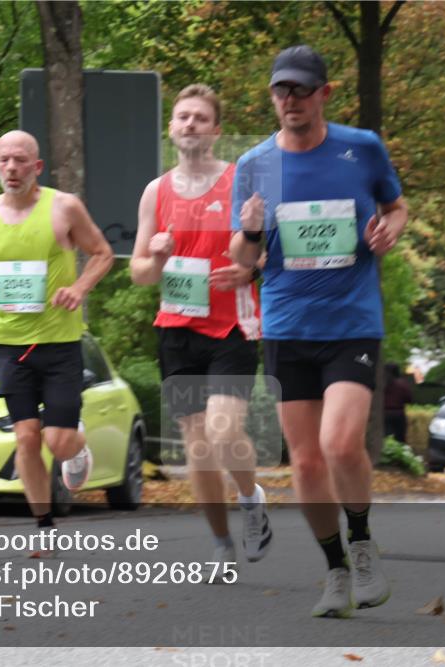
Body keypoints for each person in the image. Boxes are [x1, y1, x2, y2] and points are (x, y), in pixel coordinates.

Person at [229, 46, 409, 617]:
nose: (291, 101)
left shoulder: (362, 148)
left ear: (324, 94)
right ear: (272, 96)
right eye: (282, 90)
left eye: (302, 90)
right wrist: (250, 232)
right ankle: (335, 569)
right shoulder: (254, 165)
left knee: (339, 443)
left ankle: (362, 541)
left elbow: (397, 207)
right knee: (305, 463)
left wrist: (390, 230)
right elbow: (242, 257)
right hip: (287, 325)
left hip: (352, 321)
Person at [0, 130, 114, 535]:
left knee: (58, 441)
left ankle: (77, 445)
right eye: (5, 160)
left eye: (20, 160)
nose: (12, 168)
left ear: (37, 167)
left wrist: (79, 288)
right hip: (9, 343)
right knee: (26, 437)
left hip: (59, 343)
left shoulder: (64, 207)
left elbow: (102, 253)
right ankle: (44, 525)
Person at [131, 84, 270, 580]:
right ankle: (221, 545)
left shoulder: (238, 182)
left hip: (231, 326)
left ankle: (251, 497)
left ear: (216, 131)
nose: (189, 124)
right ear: (171, 128)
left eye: (200, 118)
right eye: (182, 117)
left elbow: (265, 252)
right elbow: (140, 273)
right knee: (197, 449)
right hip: (177, 328)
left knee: (222, 430)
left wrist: (249, 271)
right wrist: (157, 257)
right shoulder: (156, 191)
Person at [383, 363, 413, 444]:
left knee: (385, 438)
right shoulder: (402, 384)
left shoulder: (382, 383)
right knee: (400, 438)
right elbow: (409, 399)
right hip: (399, 413)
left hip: (384, 413)